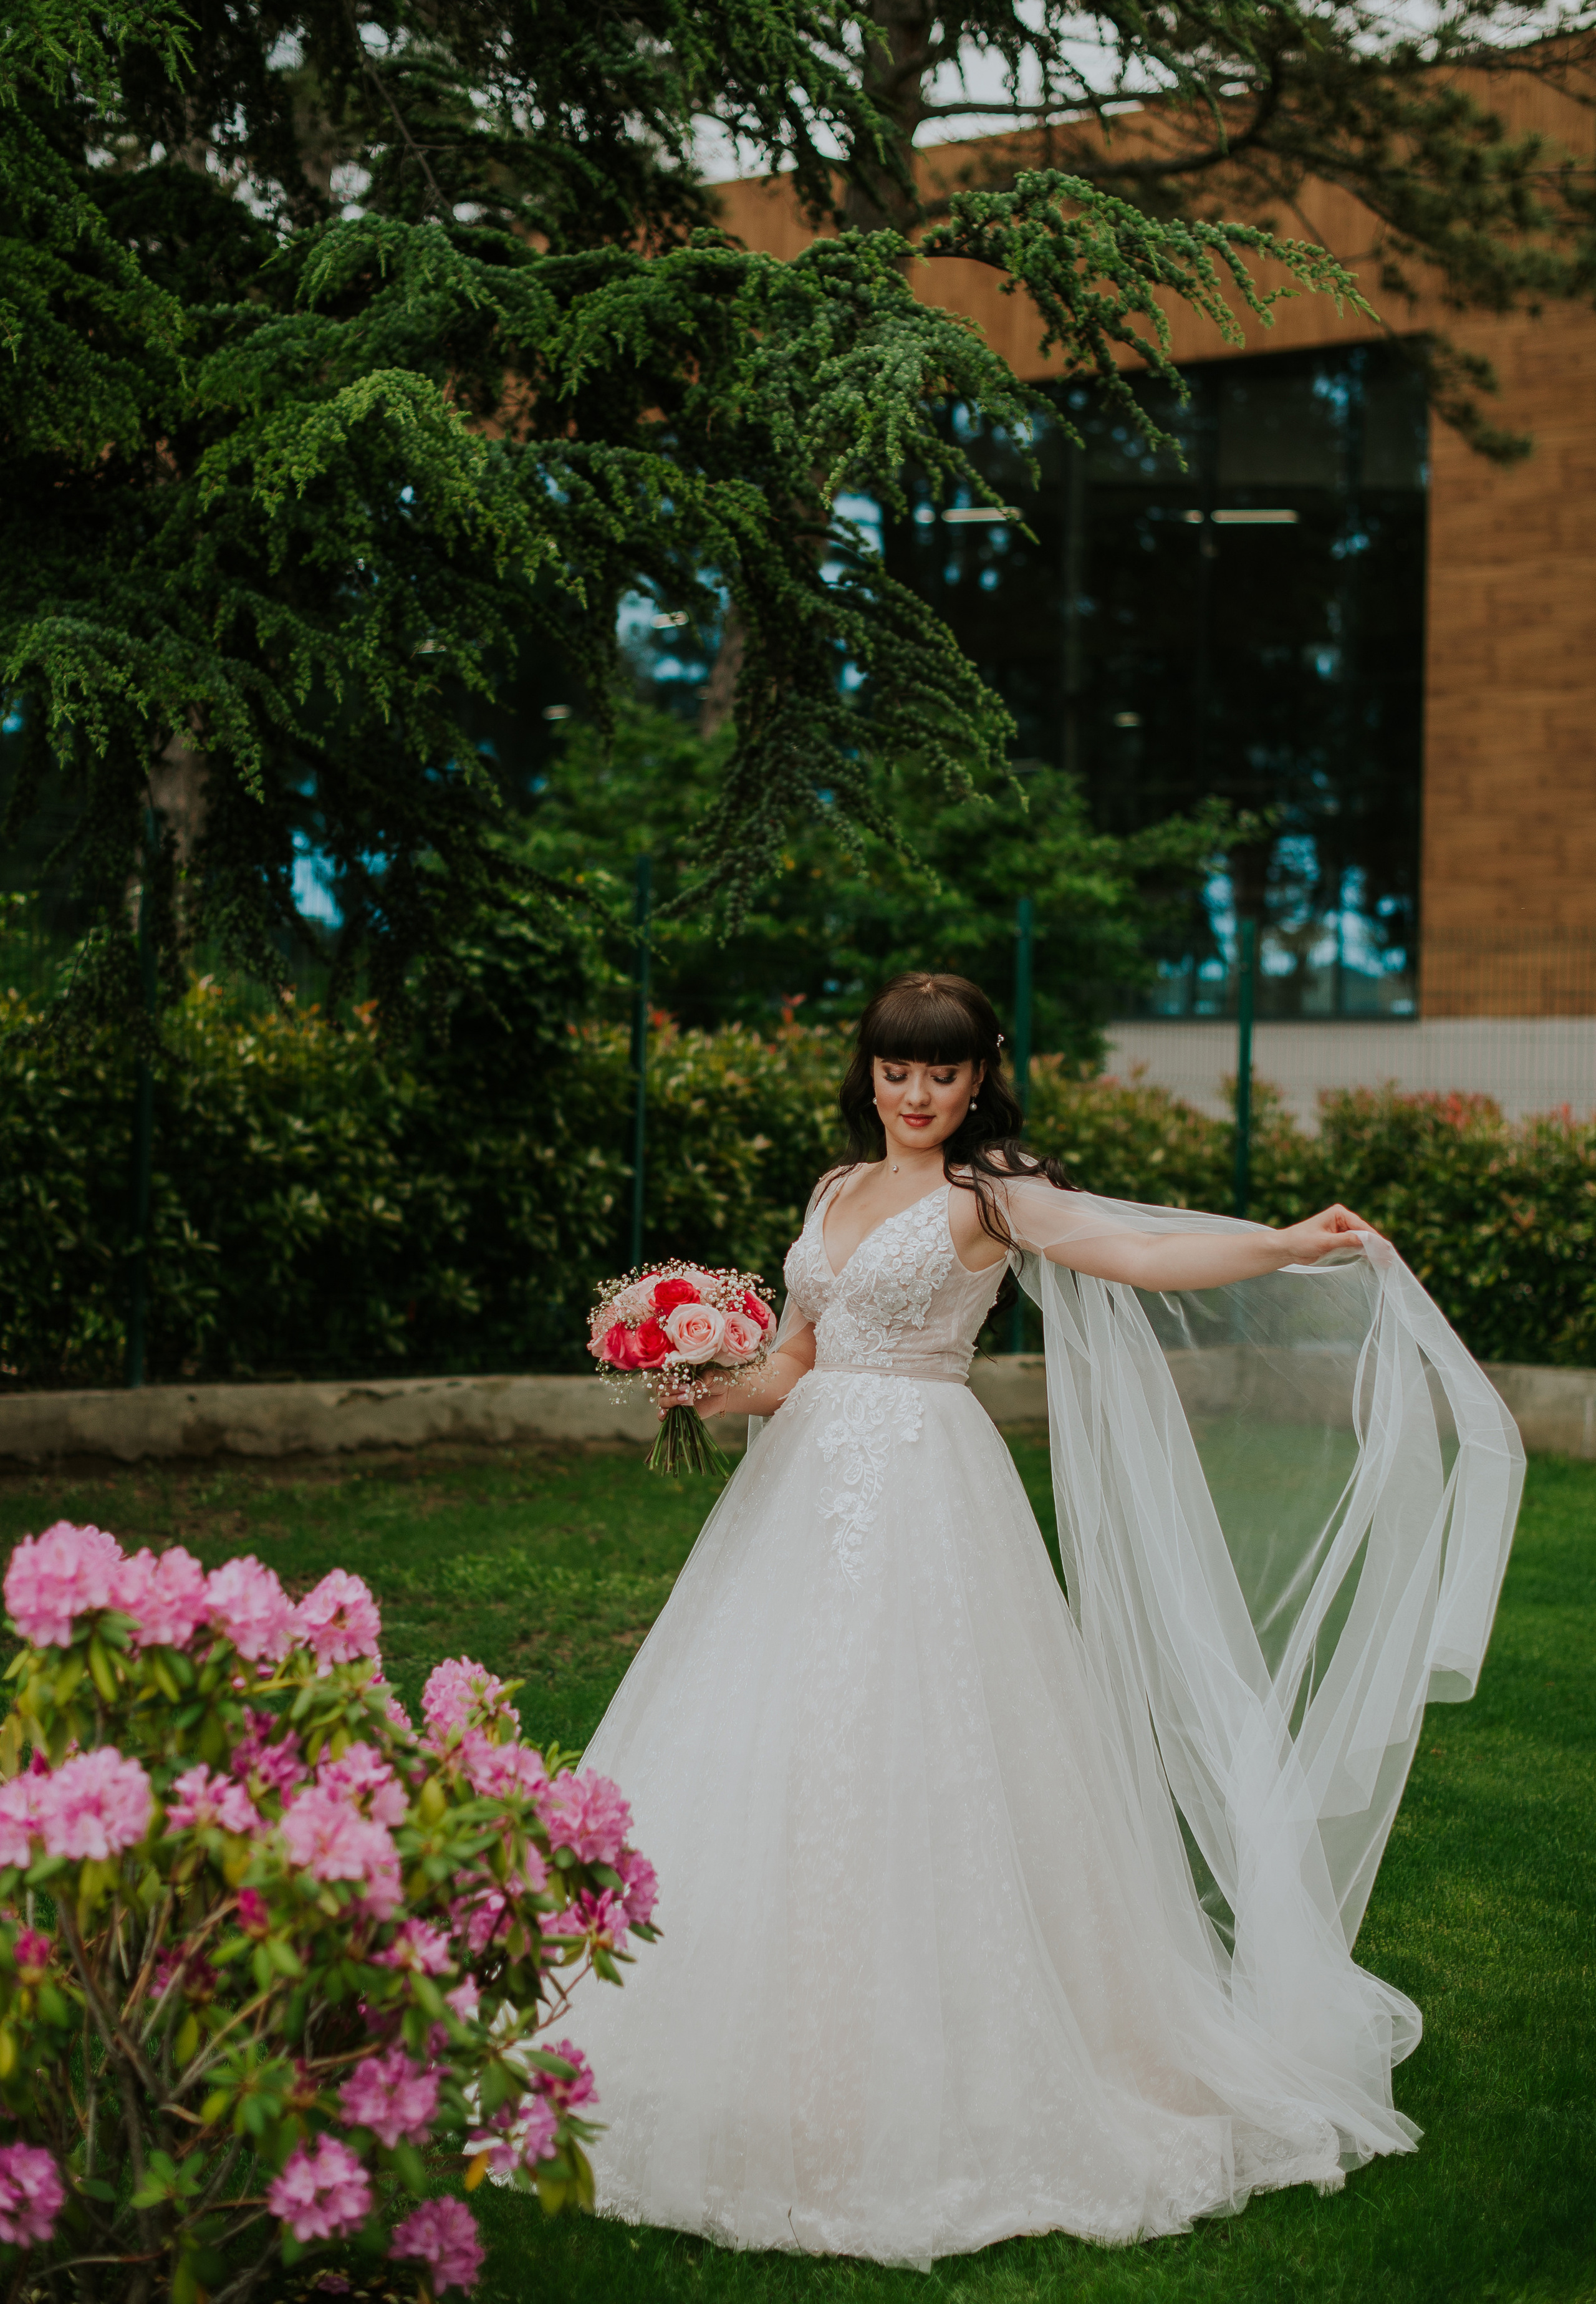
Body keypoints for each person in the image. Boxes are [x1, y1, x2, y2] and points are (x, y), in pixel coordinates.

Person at [569, 971, 1522, 2269]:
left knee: (933, 1749)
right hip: (797, 1499)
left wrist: (1287, 1240)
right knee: (773, 1744)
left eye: (940, 1075)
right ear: (867, 1076)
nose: (915, 1097)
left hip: (923, 1491)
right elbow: (797, 1361)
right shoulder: (832, 1194)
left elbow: (1138, 1252)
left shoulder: (990, 1195)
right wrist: (695, 1382)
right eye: (895, 1073)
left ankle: (975, 2055)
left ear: (978, 1079)